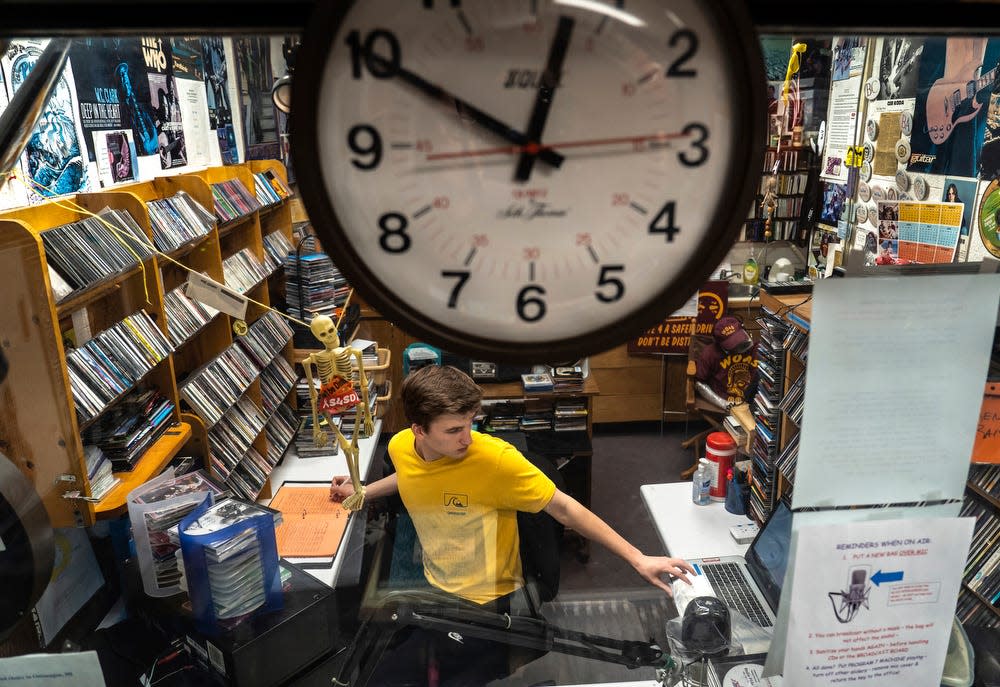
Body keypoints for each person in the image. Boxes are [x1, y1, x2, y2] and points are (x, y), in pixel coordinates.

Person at [329, 364, 695, 685]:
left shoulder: (496, 461)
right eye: (454, 429)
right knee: (372, 665)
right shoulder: (401, 446)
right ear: (419, 431)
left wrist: (638, 558)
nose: (467, 438)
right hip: (434, 587)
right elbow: (411, 476)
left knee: (395, 676)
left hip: (488, 604)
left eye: (470, 423)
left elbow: (565, 508)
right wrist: (362, 491)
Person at [694, 316, 759, 408]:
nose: (738, 347)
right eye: (732, 344)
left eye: (738, 339)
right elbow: (699, 382)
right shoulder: (710, 354)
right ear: (719, 344)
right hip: (724, 402)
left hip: (754, 400)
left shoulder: (757, 347)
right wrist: (723, 404)